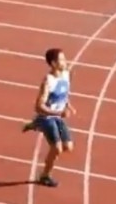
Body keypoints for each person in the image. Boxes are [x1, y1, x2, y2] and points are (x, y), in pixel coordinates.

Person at [22, 48, 76, 188]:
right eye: (61, 60)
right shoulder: (48, 81)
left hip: (57, 116)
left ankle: (35, 124)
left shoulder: (67, 74)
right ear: (52, 63)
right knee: (56, 149)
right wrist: (59, 113)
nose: (65, 62)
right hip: (47, 117)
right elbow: (38, 106)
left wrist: (68, 105)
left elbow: (64, 93)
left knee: (68, 147)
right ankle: (45, 176)